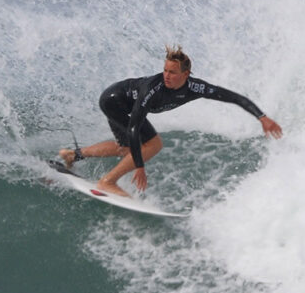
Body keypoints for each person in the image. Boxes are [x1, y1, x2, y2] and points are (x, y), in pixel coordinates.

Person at [59, 46, 283, 196]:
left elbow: (232, 97)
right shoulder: (152, 90)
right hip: (115, 101)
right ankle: (107, 182)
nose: (166, 75)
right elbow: (135, 127)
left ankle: (72, 155)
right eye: (165, 70)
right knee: (152, 145)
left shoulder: (195, 88)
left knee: (125, 148)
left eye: (172, 72)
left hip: (120, 104)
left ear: (186, 74)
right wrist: (139, 167)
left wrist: (261, 117)